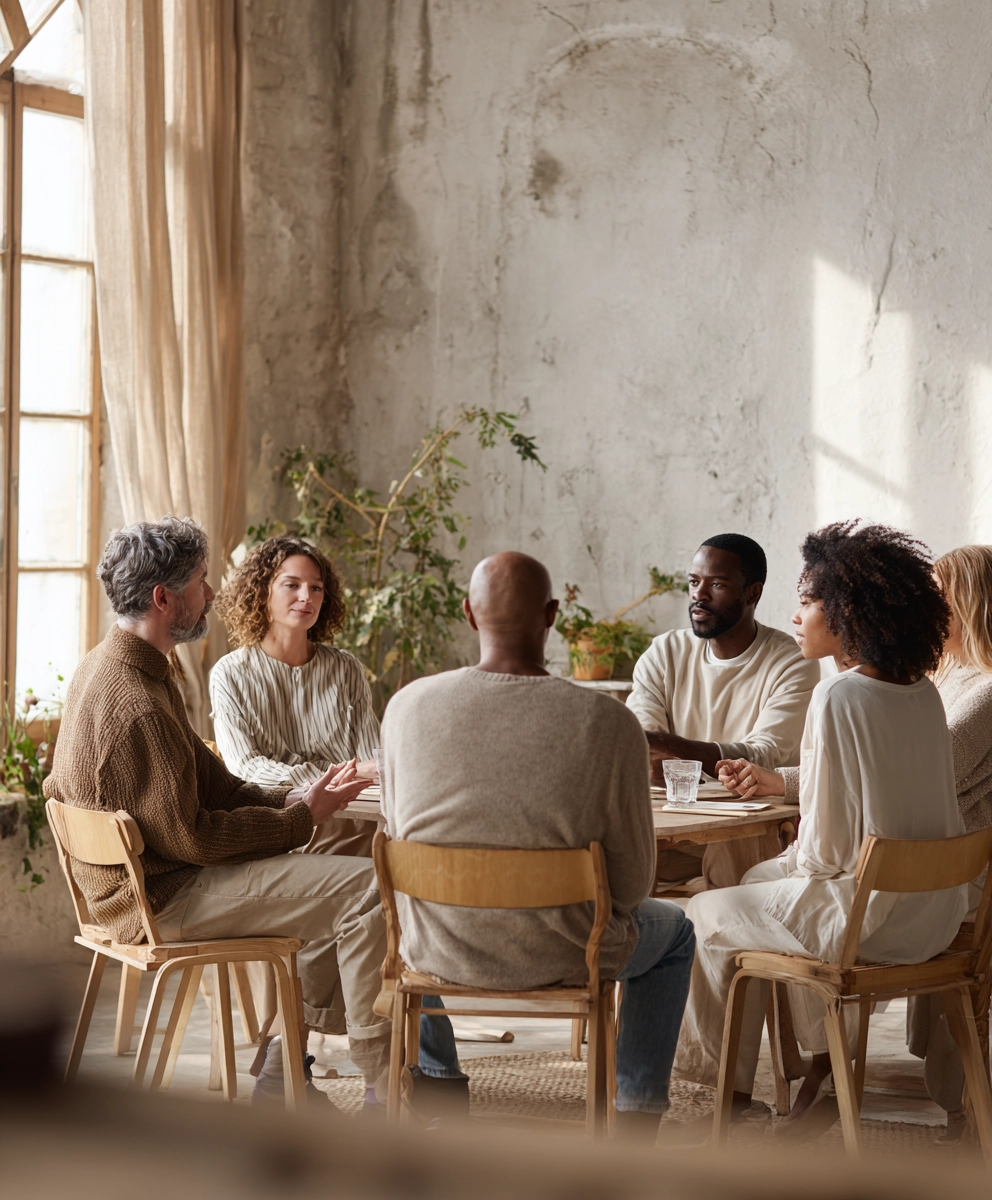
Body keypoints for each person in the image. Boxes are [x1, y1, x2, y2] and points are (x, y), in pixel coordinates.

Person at [43, 517, 463, 1109]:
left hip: (146, 884)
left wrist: (295, 803)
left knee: (350, 881)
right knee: (372, 888)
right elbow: (193, 837)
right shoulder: (138, 700)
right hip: (166, 897)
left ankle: (291, 1068)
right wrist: (299, 822)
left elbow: (213, 781)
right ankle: (385, 1089)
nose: (212, 593)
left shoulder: (115, 667)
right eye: (201, 581)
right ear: (165, 599)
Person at [380, 551, 696, 1142]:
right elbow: (631, 888)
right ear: (552, 615)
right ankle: (634, 1121)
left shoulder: (406, 709)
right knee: (675, 932)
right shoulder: (608, 724)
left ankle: (438, 1083)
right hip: (569, 953)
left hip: (439, 949)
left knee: (402, 910)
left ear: (469, 615)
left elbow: (400, 843)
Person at [678, 521, 967, 1131]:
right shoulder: (921, 693)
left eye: (807, 602)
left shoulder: (839, 698)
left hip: (869, 923)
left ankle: (717, 1099)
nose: (795, 615)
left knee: (703, 918)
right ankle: (823, 1068)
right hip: (933, 917)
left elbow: (826, 854)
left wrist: (781, 867)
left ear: (845, 612)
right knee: (753, 885)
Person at [627, 533, 819, 890]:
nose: (699, 594)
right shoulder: (663, 652)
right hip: (661, 830)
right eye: (694, 582)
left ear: (752, 593)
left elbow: (764, 757)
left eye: (716, 584)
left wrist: (668, 747)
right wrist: (661, 749)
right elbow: (642, 753)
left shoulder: (791, 661)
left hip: (743, 834)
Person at [211, 535, 379, 858]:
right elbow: (246, 769)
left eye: (316, 588)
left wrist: (358, 774)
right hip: (282, 834)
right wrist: (340, 776)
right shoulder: (229, 674)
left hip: (358, 825)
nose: (307, 597)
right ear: (263, 593)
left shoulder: (346, 669)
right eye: (292, 585)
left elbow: (373, 760)